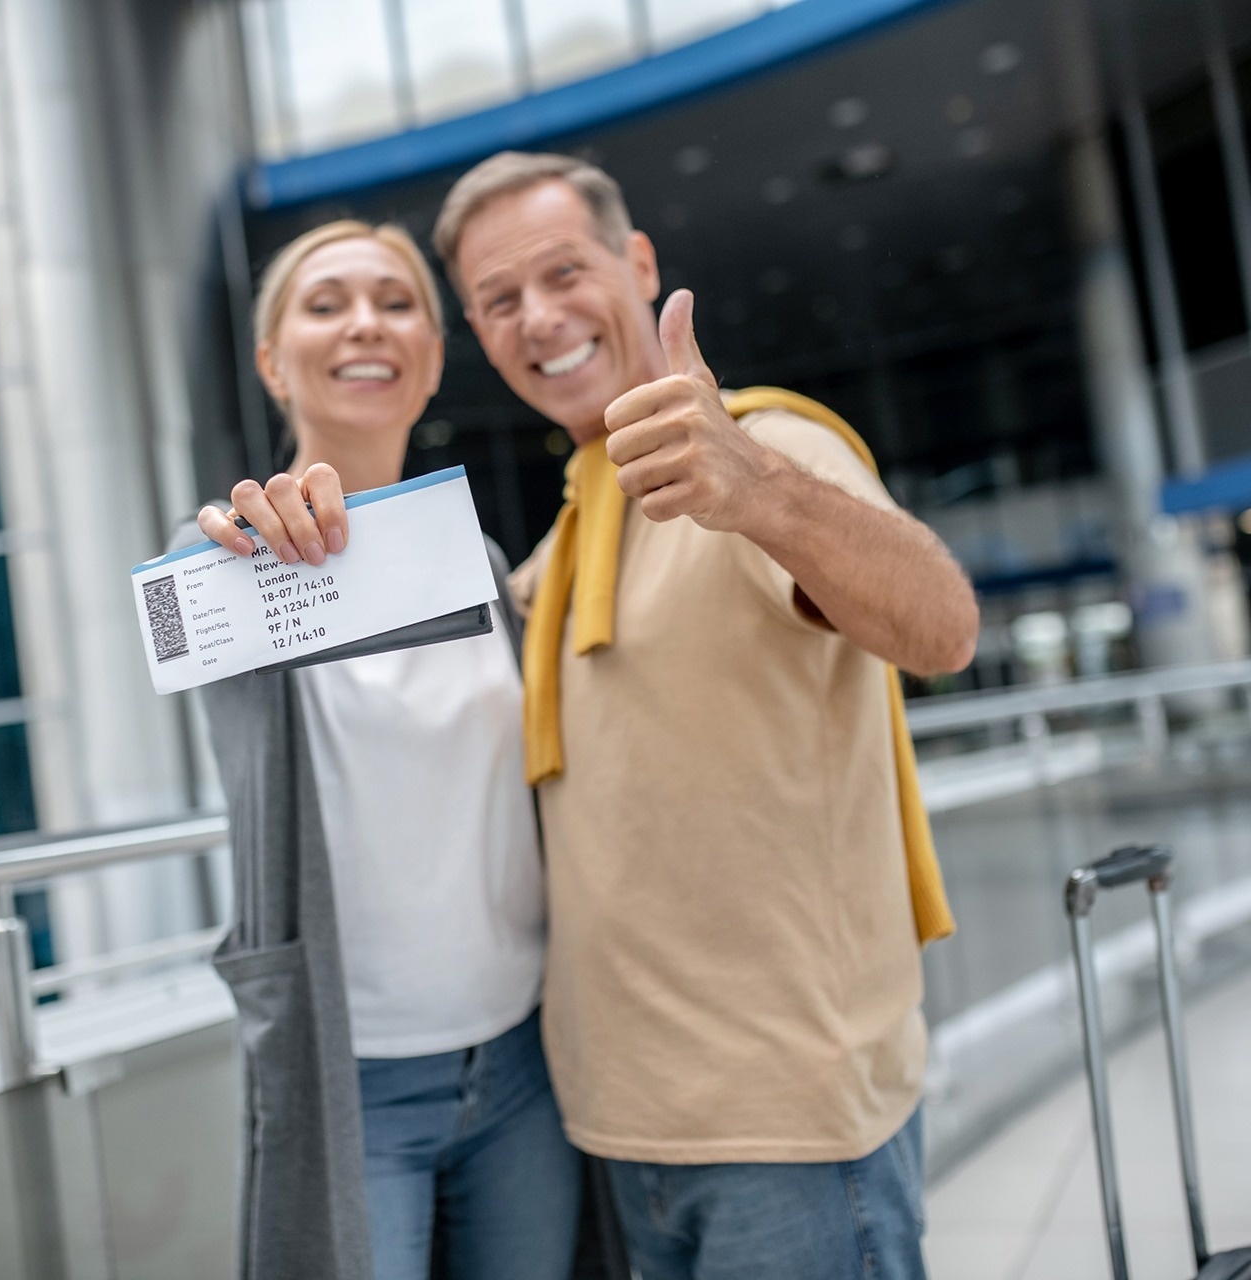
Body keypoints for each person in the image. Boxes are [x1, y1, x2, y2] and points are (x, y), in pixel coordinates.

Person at [422, 152, 978, 1277]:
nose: (539, 317)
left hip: (791, 1135)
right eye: (498, 300)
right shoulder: (554, 555)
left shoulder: (767, 455)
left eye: (563, 272)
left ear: (636, 265)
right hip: (622, 1134)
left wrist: (760, 491)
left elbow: (943, 627)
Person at [184, 219, 622, 1280]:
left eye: (396, 301)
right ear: (270, 358)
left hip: (522, 1059)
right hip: (354, 1079)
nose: (365, 323)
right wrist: (252, 540)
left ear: (430, 353)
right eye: (325, 303)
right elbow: (212, 665)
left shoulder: (474, 563)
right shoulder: (235, 566)